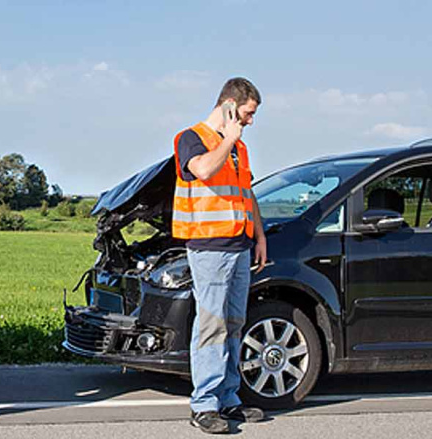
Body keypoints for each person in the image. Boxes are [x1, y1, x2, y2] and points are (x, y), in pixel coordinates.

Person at [172, 77, 267, 434]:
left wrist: (259, 235)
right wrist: (229, 136)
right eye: (247, 113)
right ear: (229, 106)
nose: (249, 122)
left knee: (234, 323)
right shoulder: (191, 138)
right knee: (211, 325)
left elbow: (247, 193)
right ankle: (204, 405)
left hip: (240, 246)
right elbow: (202, 170)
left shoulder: (239, 150)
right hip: (210, 248)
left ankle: (229, 398)